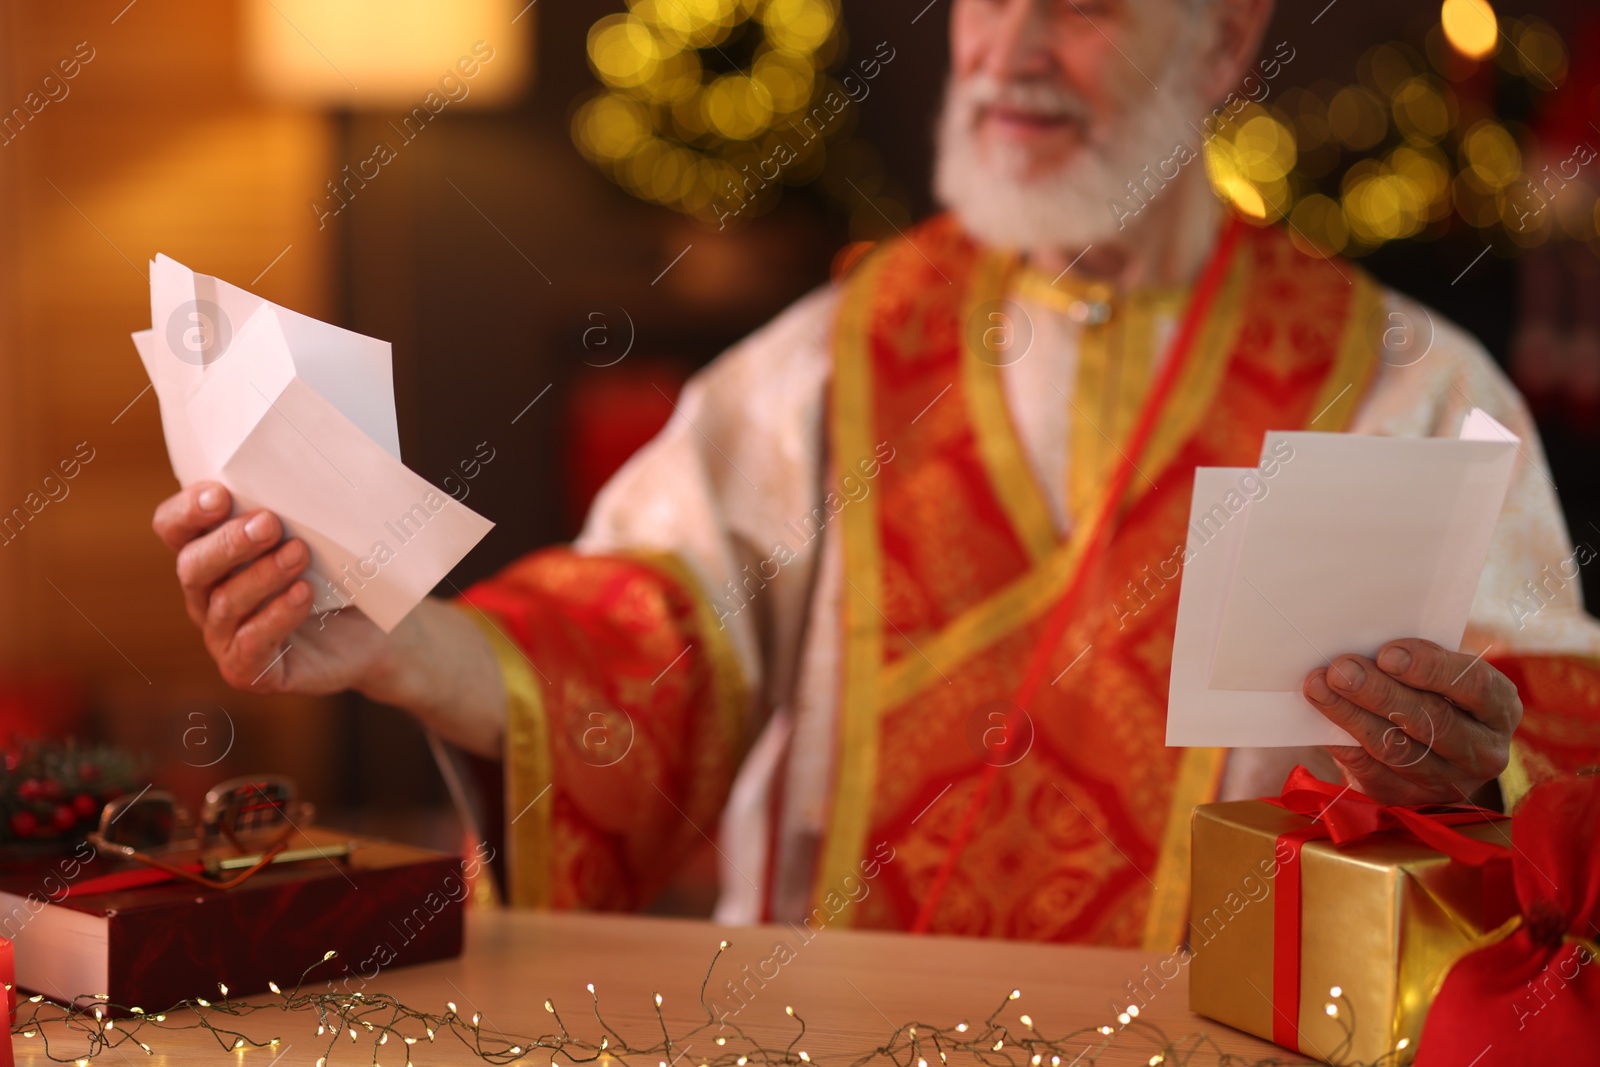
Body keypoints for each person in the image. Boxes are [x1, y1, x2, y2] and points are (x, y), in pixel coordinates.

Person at [151, 0, 1600, 946]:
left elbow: (1560, 772)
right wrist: (402, 643)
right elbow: (638, 649)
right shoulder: (824, 367)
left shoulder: (1414, 387)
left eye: (1083, 6)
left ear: (1225, 43)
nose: (1012, 46)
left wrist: (1480, 774)